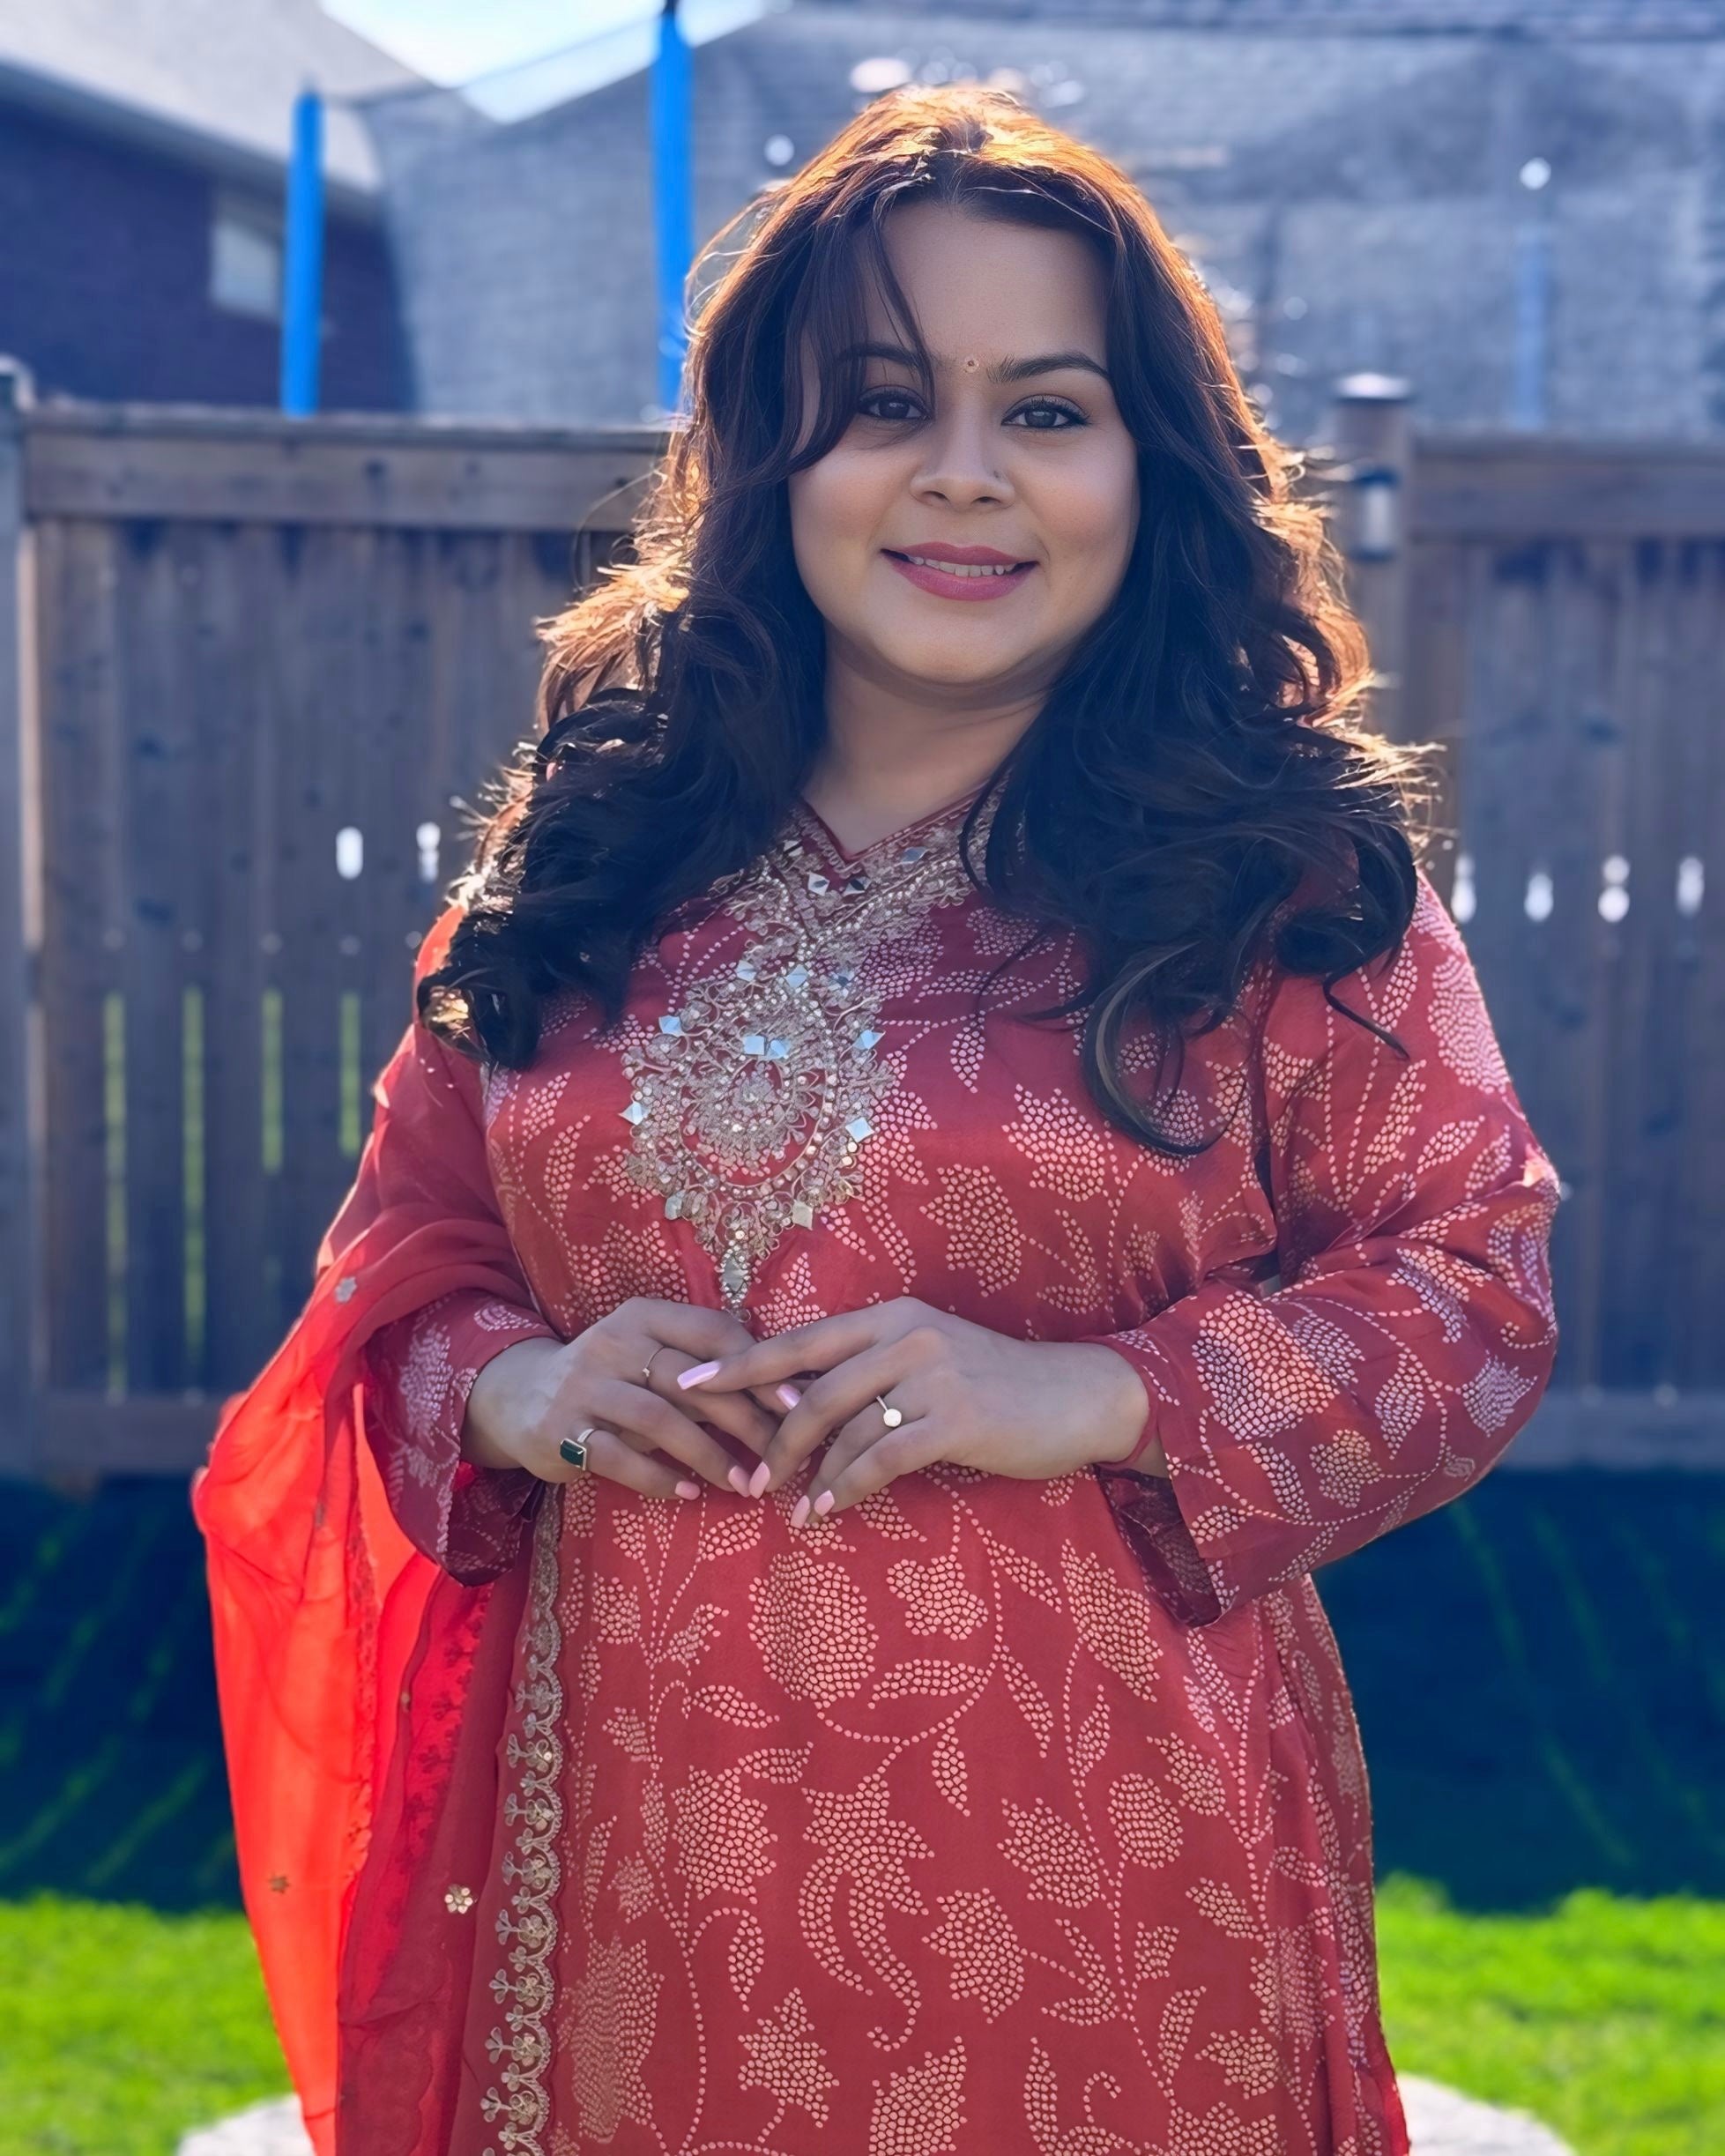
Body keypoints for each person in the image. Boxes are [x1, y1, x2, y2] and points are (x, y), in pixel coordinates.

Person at [193, 84, 1560, 2156]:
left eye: (1046, 409)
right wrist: (526, 1386)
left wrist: (1090, 1388)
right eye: (884, 401)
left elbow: (1476, 1282)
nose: (962, 478)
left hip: (1103, 1888)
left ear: (1145, 463)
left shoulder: (1277, 885)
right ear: (773, 453)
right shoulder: (587, 872)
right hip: (625, 1878)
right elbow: (401, 1276)